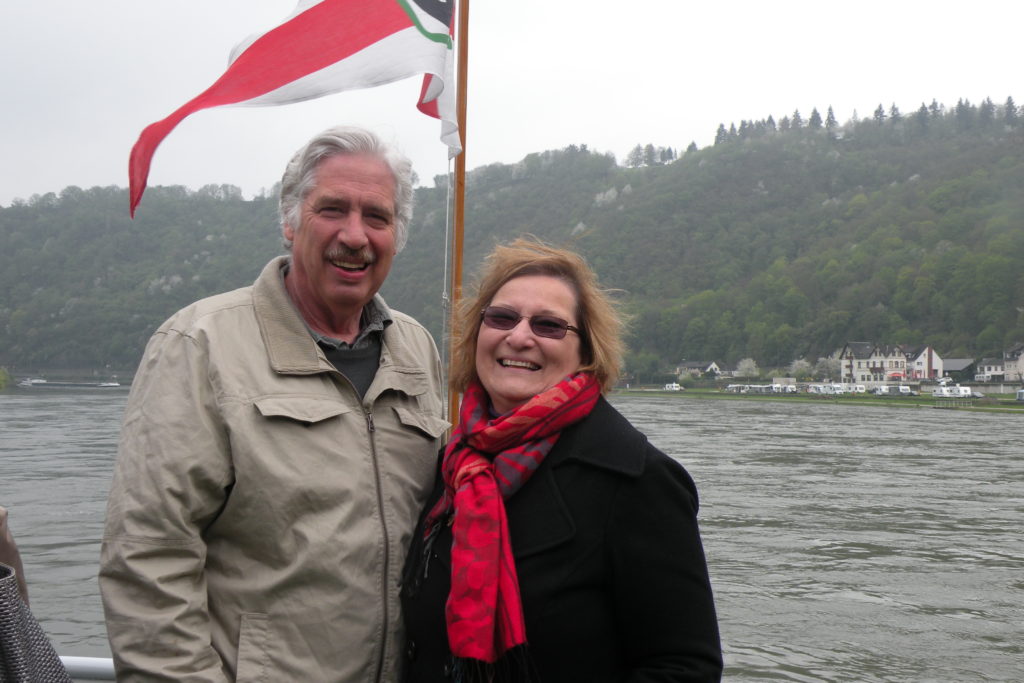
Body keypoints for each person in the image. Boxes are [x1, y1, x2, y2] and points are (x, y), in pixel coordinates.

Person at [100, 126, 449, 682]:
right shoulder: (201, 344)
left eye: (377, 217)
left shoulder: (416, 347)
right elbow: (148, 558)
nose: (355, 236)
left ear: (397, 234)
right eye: (332, 209)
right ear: (290, 220)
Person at [401, 238, 723, 682]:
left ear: (586, 352)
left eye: (549, 325)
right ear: (478, 333)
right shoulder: (456, 462)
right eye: (501, 318)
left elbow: (685, 668)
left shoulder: (638, 479)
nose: (519, 337)